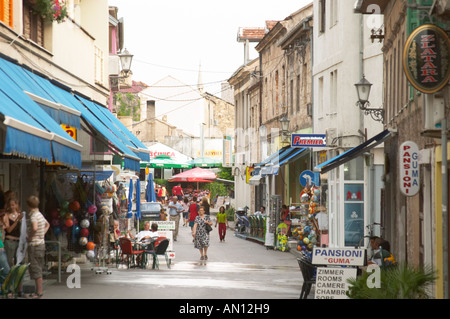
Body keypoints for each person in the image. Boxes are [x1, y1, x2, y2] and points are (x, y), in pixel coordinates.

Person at [25, 195, 50, 299]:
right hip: (41, 244)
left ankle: (39, 292)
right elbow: (47, 224)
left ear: (29, 205)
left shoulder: (34, 215)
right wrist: (42, 234)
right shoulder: (40, 214)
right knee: (38, 267)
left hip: (34, 245)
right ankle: (37, 291)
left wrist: (30, 237)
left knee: (35, 268)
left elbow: (34, 227)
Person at [3, 198, 23, 267]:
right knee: (9, 261)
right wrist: (17, 220)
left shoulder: (20, 215)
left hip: (18, 240)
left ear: (17, 205)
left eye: (13, 205)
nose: (12, 207)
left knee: (19, 261)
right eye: (10, 205)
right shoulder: (7, 215)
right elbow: (9, 230)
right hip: (10, 241)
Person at [0, 210, 10, 282]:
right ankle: (7, 290)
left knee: (5, 271)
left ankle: (5, 289)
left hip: (1, 249)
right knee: (6, 271)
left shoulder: (1, 227)